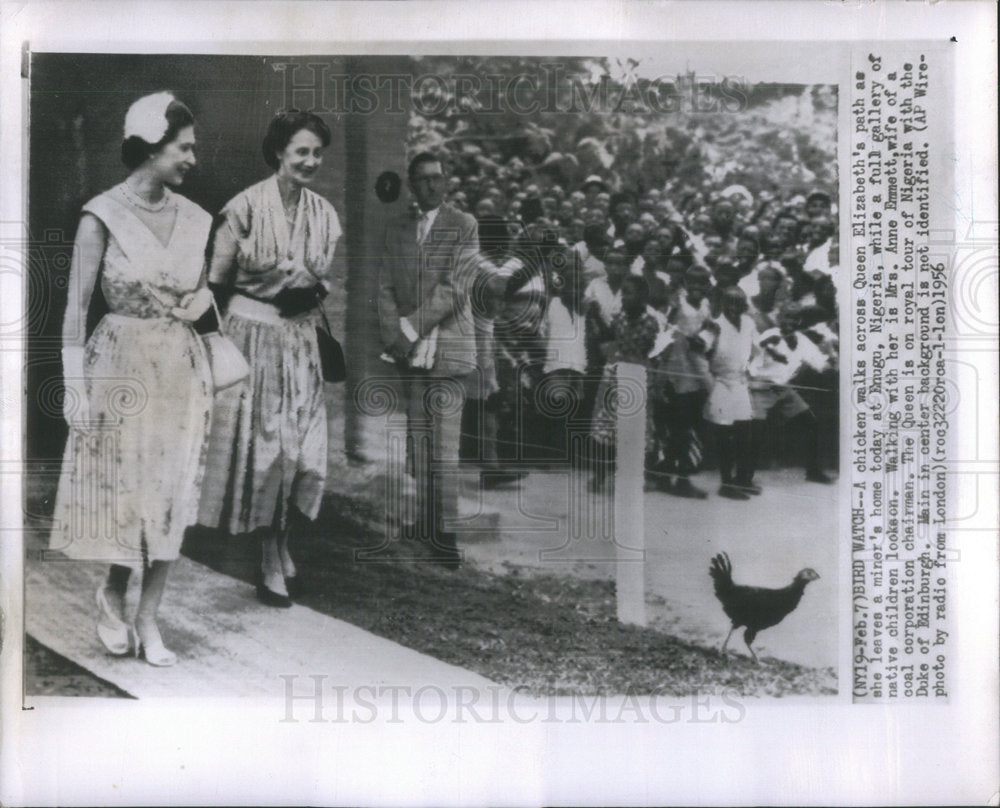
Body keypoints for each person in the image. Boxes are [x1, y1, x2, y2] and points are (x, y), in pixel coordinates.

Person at [51, 92, 213, 666]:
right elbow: (75, 308)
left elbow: (200, 289)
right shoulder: (103, 215)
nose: (193, 158)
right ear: (150, 146)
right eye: (183, 146)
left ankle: (149, 613)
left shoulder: (195, 218)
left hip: (179, 364)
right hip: (118, 364)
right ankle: (113, 592)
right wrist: (73, 386)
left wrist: (204, 299)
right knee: (127, 493)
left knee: (170, 490)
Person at [199, 110, 341, 606]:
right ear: (279, 152)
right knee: (270, 454)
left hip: (299, 343)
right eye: (301, 150)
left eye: (317, 152)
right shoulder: (242, 208)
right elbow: (214, 285)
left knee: (304, 454)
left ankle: (281, 544)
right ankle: (268, 556)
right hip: (252, 339)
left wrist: (311, 292)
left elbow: (322, 277)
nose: (310, 160)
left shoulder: (324, 214)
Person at [377, 152, 480, 569]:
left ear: (447, 181)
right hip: (410, 354)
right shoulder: (399, 228)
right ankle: (422, 521)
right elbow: (384, 286)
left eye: (437, 178)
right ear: (411, 184)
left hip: (448, 350)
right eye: (421, 180)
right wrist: (394, 336)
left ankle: (445, 533)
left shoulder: (464, 226)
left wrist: (408, 329)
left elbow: (455, 289)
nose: (430, 186)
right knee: (419, 444)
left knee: (445, 448)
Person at [698, 286, 759, 500]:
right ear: (723, 304)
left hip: (741, 382)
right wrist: (700, 336)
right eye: (729, 302)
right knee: (725, 434)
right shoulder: (716, 325)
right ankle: (727, 483)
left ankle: (744, 478)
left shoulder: (749, 323)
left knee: (745, 432)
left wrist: (752, 370)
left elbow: (757, 350)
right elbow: (700, 346)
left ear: (744, 305)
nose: (733, 307)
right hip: (721, 383)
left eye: (738, 303)